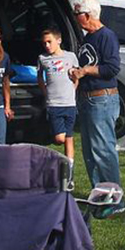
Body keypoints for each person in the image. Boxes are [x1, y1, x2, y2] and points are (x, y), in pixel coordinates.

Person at [69, 0, 124, 213]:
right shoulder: (87, 38)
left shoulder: (106, 36)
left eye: (77, 14)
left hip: (102, 98)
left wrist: (86, 71)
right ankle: (100, 196)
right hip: (87, 98)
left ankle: (115, 200)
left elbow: (112, 68)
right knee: (90, 152)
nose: (75, 18)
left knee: (103, 150)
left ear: (88, 15)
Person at [38, 28, 80, 168]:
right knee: (60, 138)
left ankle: (69, 167)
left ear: (59, 40)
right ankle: (51, 135)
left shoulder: (70, 56)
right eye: (44, 43)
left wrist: (74, 86)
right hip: (54, 103)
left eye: (49, 42)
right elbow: (39, 77)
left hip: (69, 102)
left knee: (69, 136)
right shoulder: (43, 59)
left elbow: (76, 74)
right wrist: (45, 92)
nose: (47, 45)